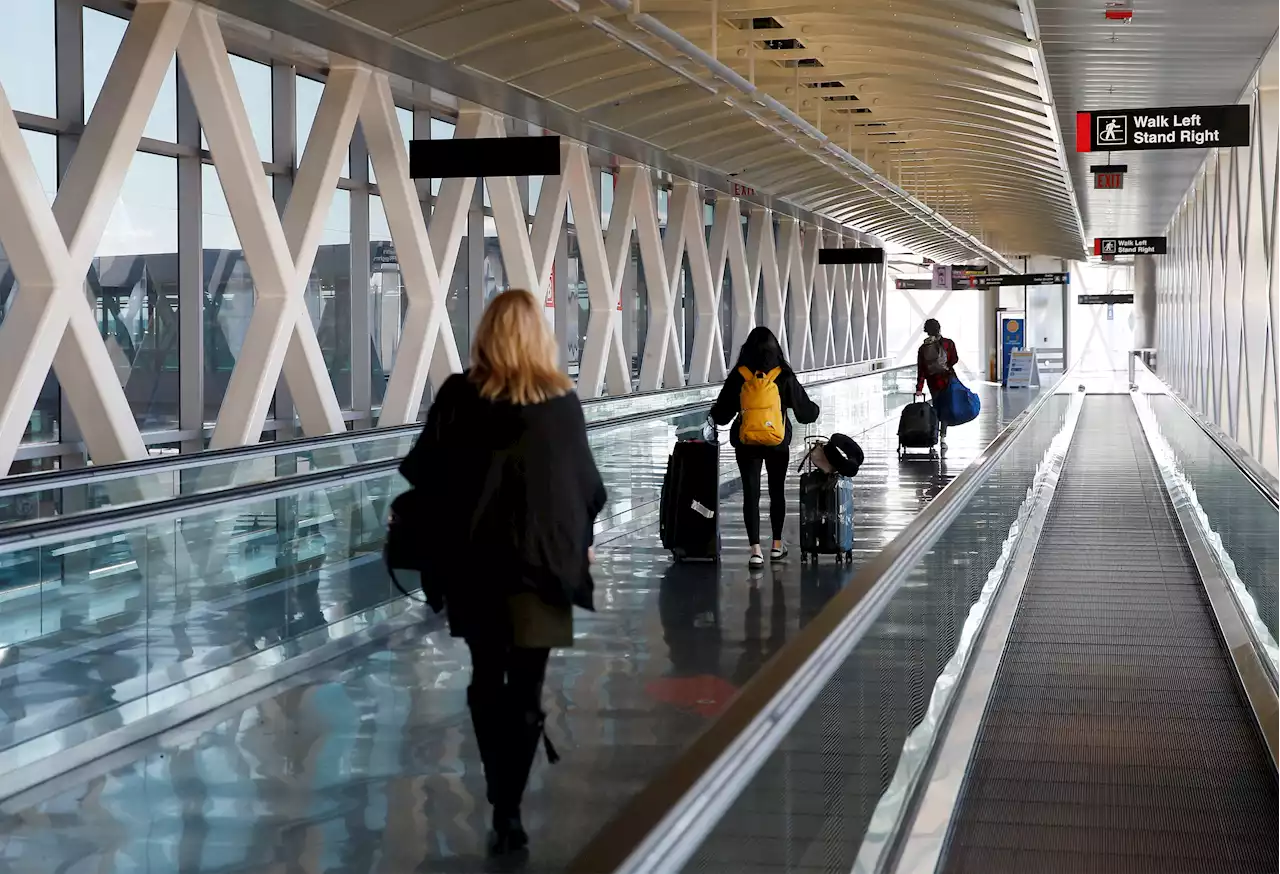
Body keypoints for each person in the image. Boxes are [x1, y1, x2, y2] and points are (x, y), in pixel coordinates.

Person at [398, 289, 606, 856]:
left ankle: (501, 800)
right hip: (542, 569)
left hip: (476, 568)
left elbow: (421, 471)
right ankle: (510, 804)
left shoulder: (460, 396)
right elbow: (588, 487)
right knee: (528, 687)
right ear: (540, 335)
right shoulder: (561, 401)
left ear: (486, 333)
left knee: (487, 676)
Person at [710, 326, 820, 569]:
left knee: (751, 493)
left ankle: (755, 551)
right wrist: (815, 410)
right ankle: (777, 546)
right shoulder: (783, 374)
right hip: (777, 442)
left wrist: (715, 412)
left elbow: (721, 415)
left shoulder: (740, 375)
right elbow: (805, 413)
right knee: (776, 491)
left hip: (746, 442)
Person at [915, 318, 959, 452]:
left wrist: (919, 388)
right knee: (945, 408)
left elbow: (921, 369)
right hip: (947, 380)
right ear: (939, 328)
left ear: (926, 331)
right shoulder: (948, 343)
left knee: (936, 407)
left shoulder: (923, 348)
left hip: (933, 382)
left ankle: (933, 434)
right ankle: (943, 438)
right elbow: (955, 359)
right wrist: (946, 366)